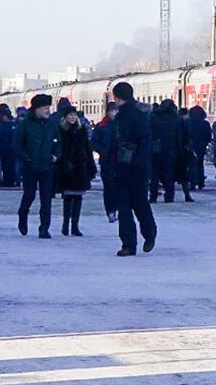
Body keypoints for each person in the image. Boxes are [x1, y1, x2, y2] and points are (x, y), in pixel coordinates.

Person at [107, 82, 158, 256]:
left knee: (138, 204)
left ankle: (146, 235)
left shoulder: (135, 116)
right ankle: (130, 242)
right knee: (125, 206)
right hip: (125, 166)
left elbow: (144, 141)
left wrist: (136, 161)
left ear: (119, 97)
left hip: (135, 168)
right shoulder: (122, 116)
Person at [15, 94, 60, 239]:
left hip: (47, 166)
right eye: (45, 108)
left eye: (49, 107)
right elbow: (17, 144)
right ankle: (23, 214)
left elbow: (59, 142)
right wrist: (27, 158)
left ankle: (44, 228)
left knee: (46, 198)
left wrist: (56, 155)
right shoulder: (25, 124)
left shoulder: (52, 124)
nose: (48, 110)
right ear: (37, 109)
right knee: (29, 194)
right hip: (30, 166)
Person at [55, 106, 97, 236]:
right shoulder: (60, 130)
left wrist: (91, 165)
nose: (73, 117)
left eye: (74, 115)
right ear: (65, 117)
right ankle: (65, 225)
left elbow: (87, 149)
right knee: (68, 197)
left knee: (78, 197)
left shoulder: (82, 130)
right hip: (67, 168)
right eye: (70, 115)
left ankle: (74, 226)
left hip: (80, 167)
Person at [184, 106, 211, 195]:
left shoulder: (187, 122)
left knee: (191, 165)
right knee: (200, 164)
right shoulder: (205, 123)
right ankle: (201, 182)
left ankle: (192, 183)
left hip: (190, 146)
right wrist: (206, 142)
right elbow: (208, 136)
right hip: (201, 146)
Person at [0, 105, 19, 189]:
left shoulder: (4, 125)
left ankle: (8, 181)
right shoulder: (13, 125)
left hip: (5, 148)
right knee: (9, 166)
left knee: (7, 166)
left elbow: (1, 137)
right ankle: (9, 180)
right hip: (9, 149)